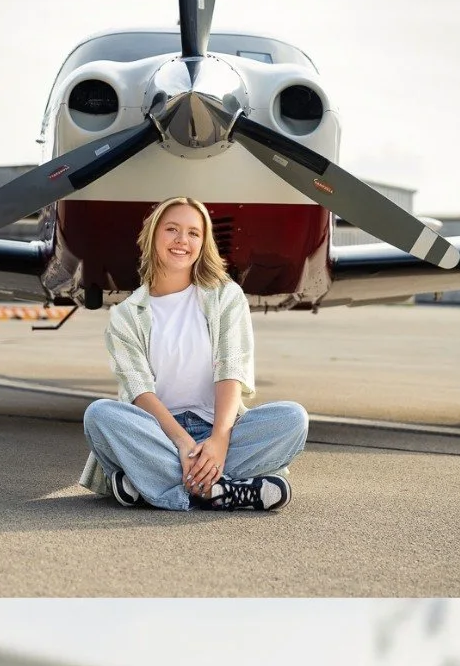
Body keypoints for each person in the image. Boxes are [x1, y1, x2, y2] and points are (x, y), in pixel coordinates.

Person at [79, 196, 309, 511]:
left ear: (203, 243)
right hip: (158, 432)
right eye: (171, 229)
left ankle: (150, 484)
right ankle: (221, 491)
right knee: (99, 415)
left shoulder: (225, 297)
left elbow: (230, 370)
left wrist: (219, 441)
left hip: (218, 427)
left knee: (293, 418)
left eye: (193, 233)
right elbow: (139, 390)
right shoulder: (125, 316)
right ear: (153, 236)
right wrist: (183, 443)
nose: (181, 240)